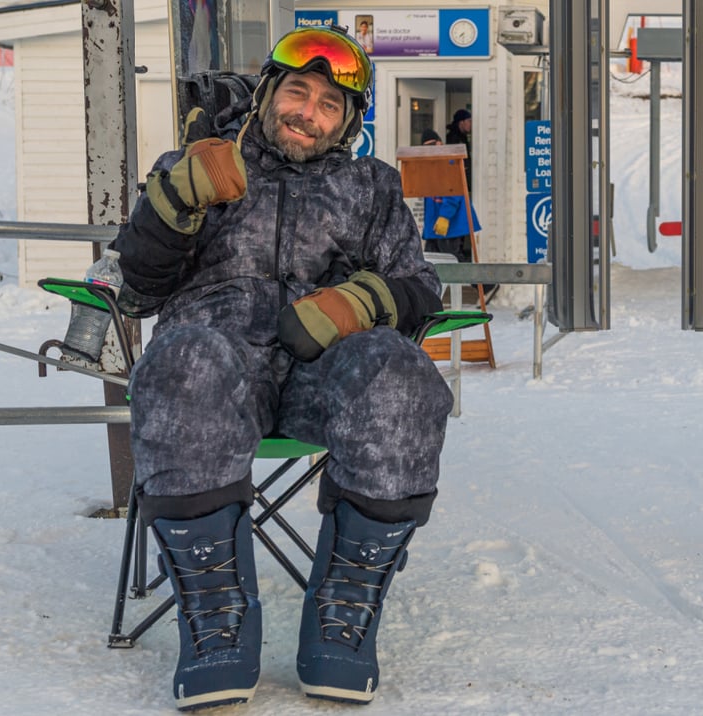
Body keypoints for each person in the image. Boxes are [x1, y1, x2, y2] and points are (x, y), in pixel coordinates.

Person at [109, 25, 449, 710]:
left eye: (329, 105)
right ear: (269, 93)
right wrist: (172, 202)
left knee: (401, 374)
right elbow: (138, 286)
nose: (308, 112)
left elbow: (420, 290)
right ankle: (215, 619)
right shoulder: (202, 163)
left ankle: (344, 610)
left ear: (347, 121)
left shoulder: (372, 188)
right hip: (215, 372)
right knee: (184, 361)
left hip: (325, 379)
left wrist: (363, 301)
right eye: (298, 92)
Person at [418, 129, 480, 266]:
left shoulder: (450, 163)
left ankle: (486, 286)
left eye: (432, 145)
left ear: (439, 143)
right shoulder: (430, 165)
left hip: (451, 223)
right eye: (426, 147)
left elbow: (454, 193)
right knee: (430, 261)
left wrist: (445, 216)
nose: (430, 150)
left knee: (452, 260)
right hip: (435, 225)